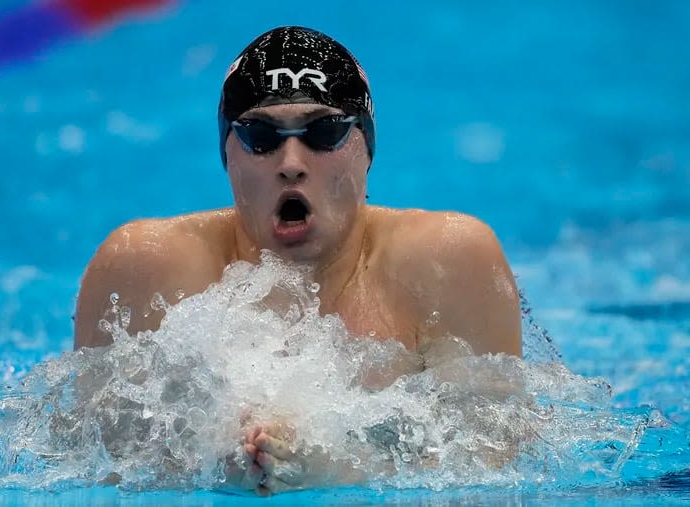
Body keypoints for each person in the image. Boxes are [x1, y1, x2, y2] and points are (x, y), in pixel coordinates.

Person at [73, 26, 522, 495]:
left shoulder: (446, 263)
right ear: (227, 154)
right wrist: (202, 466)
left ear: (366, 149)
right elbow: (89, 466)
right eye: (261, 137)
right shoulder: (143, 268)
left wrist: (340, 467)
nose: (291, 161)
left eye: (324, 132)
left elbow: (496, 464)